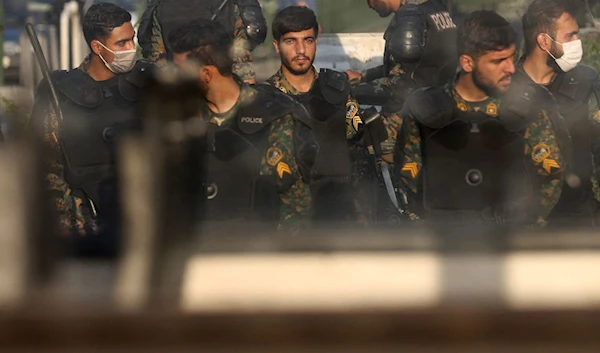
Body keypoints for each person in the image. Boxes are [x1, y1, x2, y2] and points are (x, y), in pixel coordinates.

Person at [394, 10, 567, 230]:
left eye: (511, 58)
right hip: (446, 243)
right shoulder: (425, 110)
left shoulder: (526, 110)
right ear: (467, 63)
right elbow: (408, 179)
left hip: (510, 242)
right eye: (498, 61)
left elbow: (551, 175)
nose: (511, 68)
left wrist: (527, 228)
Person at [168, 19, 316, 234]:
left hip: (255, 253)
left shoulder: (276, 118)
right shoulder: (181, 117)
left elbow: (295, 206)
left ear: (205, 75)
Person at [29, 3, 149, 256]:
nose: (131, 49)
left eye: (132, 40)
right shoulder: (59, 93)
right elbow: (45, 166)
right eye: (122, 43)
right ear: (97, 47)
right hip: (84, 225)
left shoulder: (148, 83)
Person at [264, 6, 372, 225]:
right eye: (291, 41)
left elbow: (358, 151)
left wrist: (362, 208)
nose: (301, 50)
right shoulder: (263, 99)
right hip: (286, 221)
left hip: (340, 214)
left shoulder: (338, 90)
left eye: (308, 40)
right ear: (277, 46)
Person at [520, 0, 600, 226]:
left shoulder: (585, 83)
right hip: (522, 226)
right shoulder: (506, 89)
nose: (578, 42)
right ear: (544, 41)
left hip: (579, 218)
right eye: (570, 36)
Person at [346, 0, 458, 114]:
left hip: (409, 114)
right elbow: (411, 67)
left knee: (354, 124)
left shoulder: (411, 17)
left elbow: (400, 86)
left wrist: (351, 90)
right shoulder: (435, 8)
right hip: (436, 105)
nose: (369, 5)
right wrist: (363, 77)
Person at [137, 0, 267, 84]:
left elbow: (158, 60)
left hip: (182, 91)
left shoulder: (160, 7)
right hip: (219, 91)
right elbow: (241, 63)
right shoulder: (233, 5)